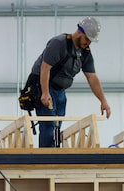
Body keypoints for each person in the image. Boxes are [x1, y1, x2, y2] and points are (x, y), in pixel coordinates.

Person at [29, 16, 111, 147]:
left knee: (57, 126)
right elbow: (45, 67)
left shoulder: (85, 53)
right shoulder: (59, 43)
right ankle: (46, 159)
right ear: (79, 31)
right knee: (49, 125)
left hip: (60, 91)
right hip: (44, 86)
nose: (88, 43)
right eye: (87, 39)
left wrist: (103, 101)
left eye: (90, 41)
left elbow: (92, 78)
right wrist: (44, 93)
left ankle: (53, 154)